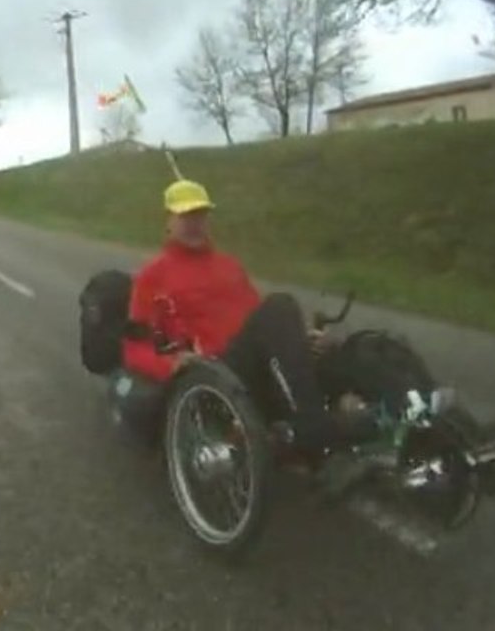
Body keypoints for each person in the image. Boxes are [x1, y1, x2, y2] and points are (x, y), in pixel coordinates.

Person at [122, 178, 375, 469]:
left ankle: (415, 418)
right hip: (214, 373)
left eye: (200, 216)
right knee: (280, 304)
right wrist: (172, 365)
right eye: (185, 216)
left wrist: (303, 338)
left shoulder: (229, 265)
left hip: (254, 364)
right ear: (168, 221)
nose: (194, 224)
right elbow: (133, 351)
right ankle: (314, 428)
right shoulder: (152, 277)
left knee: (361, 348)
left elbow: (259, 321)